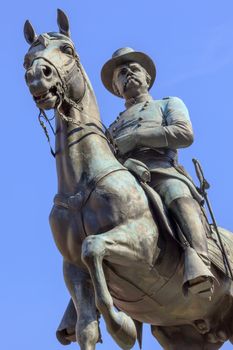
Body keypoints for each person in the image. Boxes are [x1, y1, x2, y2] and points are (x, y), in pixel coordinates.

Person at [101, 47, 215, 297]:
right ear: (116, 87)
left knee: (177, 196)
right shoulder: (111, 127)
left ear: (147, 78)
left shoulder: (168, 104)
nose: (128, 73)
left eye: (134, 69)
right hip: (125, 178)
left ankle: (200, 261)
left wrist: (137, 138)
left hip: (162, 171)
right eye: (121, 73)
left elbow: (184, 134)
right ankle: (85, 293)